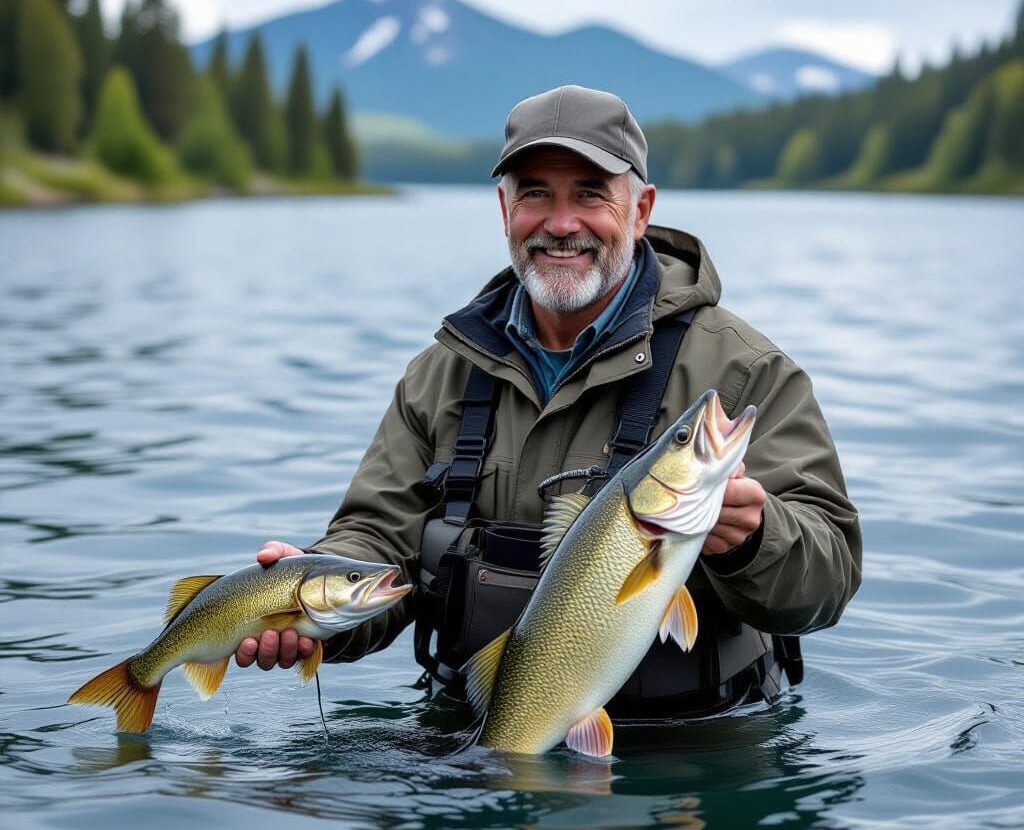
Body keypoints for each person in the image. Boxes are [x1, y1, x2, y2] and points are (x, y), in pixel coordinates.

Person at [235, 85, 862, 716]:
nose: (561, 225)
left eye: (590, 193)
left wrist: (755, 539)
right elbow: (377, 539)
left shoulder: (744, 370)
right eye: (535, 193)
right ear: (504, 211)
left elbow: (829, 578)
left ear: (641, 210)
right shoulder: (440, 374)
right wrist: (306, 601)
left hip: (693, 754)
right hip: (479, 731)